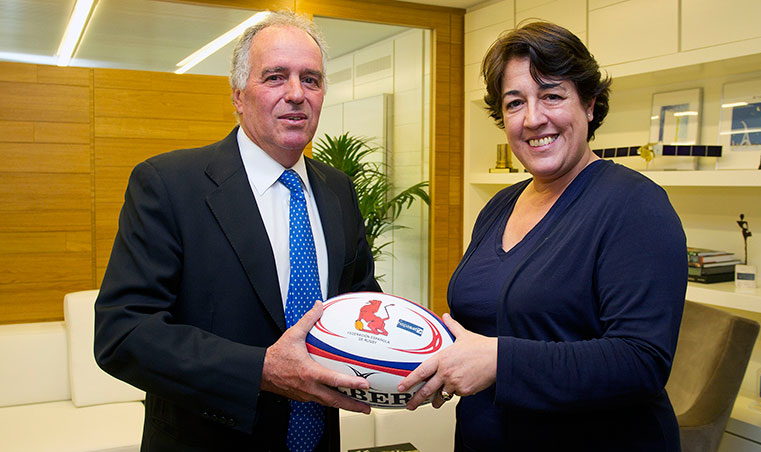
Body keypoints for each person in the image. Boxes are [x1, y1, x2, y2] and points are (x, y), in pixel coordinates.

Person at [94, 10, 381, 452]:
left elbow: (360, 303)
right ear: (238, 95)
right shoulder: (169, 185)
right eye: (275, 77)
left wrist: (415, 360)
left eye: (310, 79)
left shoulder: (338, 189)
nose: (296, 94)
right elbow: (123, 333)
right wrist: (260, 369)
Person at [399, 22, 687, 451]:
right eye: (515, 103)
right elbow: (487, 324)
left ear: (589, 104)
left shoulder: (635, 205)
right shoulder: (500, 206)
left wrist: (499, 362)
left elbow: (641, 360)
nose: (533, 119)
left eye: (552, 95)